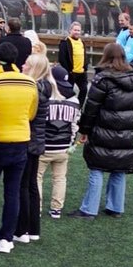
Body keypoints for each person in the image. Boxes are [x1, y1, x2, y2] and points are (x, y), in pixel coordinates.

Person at [70, 43, 133, 220]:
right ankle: (115, 207)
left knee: (97, 167)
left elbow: (91, 108)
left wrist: (84, 129)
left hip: (103, 128)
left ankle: (89, 209)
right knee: (119, 167)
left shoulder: (103, 79)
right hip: (126, 130)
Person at [0, 43, 38, 254]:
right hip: (20, 140)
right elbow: (31, 113)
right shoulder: (30, 83)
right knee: (13, 192)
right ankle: (6, 238)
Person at [14, 54, 52, 243]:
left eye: (27, 64)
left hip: (28, 139)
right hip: (37, 140)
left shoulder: (33, 89)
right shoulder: (45, 87)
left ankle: (22, 229)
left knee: (23, 185)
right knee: (31, 185)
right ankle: (33, 228)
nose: (23, 66)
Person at [38, 65, 80, 220]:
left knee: (37, 177)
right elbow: (74, 126)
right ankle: (56, 209)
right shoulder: (74, 101)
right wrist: (71, 144)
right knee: (60, 178)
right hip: (63, 148)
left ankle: (37, 208)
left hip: (44, 146)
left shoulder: (44, 98)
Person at [57, 22, 88, 106]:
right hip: (71, 72)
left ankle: (79, 107)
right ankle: (68, 107)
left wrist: (85, 67)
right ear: (70, 30)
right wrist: (68, 70)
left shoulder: (82, 42)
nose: (77, 32)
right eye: (75, 30)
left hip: (81, 72)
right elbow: (62, 58)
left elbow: (84, 55)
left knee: (84, 90)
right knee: (68, 92)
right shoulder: (65, 42)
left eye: (78, 30)